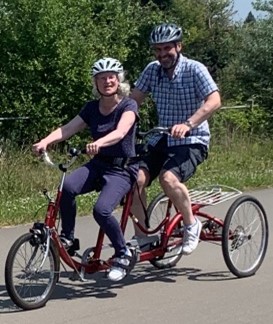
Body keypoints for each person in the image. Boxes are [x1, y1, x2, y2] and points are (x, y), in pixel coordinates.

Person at [32, 57, 139, 281]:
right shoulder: (92, 108)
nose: (107, 81)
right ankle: (68, 237)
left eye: (111, 77)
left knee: (101, 210)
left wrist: (99, 143)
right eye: (101, 78)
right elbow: (69, 128)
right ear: (96, 83)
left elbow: (121, 132)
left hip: (121, 169)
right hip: (98, 165)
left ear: (119, 80)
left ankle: (123, 253)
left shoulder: (128, 105)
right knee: (67, 187)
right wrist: (45, 141)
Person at [130, 23, 221, 255]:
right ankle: (143, 239)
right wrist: (121, 124)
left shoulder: (195, 69)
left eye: (167, 48)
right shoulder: (152, 70)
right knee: (135, 179)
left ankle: (192, 225)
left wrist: (189, 124)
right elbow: (134, 100)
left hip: (192, 139)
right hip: (162, 137)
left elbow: (214, 101)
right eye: (158, 50)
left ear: (178, 46)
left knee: (168, 179)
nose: (162, 54)